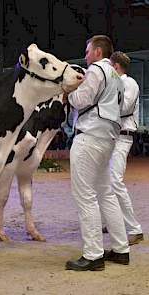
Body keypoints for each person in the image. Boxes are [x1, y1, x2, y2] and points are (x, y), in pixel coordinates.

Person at [65, 35, 130, 271]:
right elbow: (120, 107)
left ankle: (93, 255)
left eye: (88, 50)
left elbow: (82, 99)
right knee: (106, 193)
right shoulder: (117, 77)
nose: (85, 55)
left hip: (90, 135)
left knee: (85, 196)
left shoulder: (95, 70)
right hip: (109, 136)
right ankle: (121, 249)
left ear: (98, 53)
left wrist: (69, 92)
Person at [109, 51, 143, 245]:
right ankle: (111, 220)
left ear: (115, 67)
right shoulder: (116, 84)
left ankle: (135, 229)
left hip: (122, 138)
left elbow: (125, 108)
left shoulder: (129, 83)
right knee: (105, 181)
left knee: (115, 181)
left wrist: (103, 107)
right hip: (113, 137)